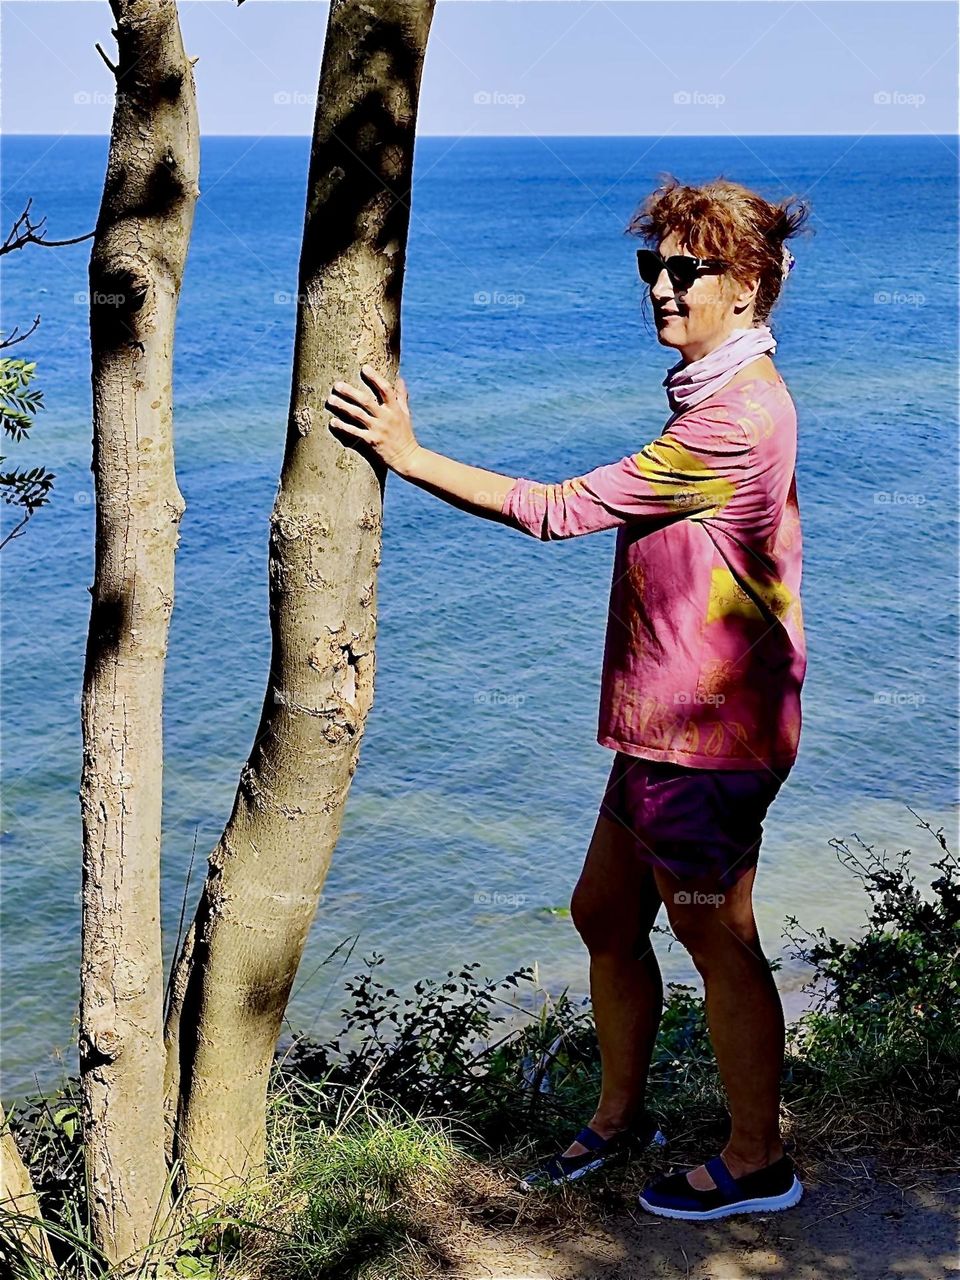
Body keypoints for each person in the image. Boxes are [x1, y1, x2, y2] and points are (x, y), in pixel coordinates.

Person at [325, 174, 810, 1222]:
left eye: (689, 270)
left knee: (714, 933)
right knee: (605, 912)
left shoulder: (733, 420)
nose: (663, 288)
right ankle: (621, 1112)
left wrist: (406, 454)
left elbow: (557, 510)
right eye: (654, 267)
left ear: (748, 284)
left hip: (708, 734)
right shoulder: (718, 394)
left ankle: (757, 1159)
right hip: (668, 725)